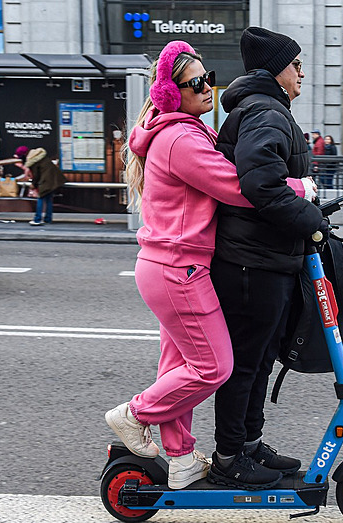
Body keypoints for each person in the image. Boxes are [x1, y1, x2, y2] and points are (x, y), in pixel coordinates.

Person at [104, 40, 260, 491]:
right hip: (179, 270)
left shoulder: (178, 130)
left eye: (208, 77)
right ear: (174, 94)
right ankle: (132, 414)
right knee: (214, 367)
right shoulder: (180, 137)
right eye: (196, 83)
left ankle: (181, 457)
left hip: (166, 267)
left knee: (178, 369)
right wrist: (298, 188)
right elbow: (234, 186)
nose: (207, 87)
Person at [210, 26, 327, 490]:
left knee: (258, 361)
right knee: (246, 363)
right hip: (250, 263)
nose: (302, 73)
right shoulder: (264, 112)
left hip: (263, 259)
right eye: (296, 64)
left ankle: (248, 444)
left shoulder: (267, 110)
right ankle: (228, 457)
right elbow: (262, 187)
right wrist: (311, 221)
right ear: (276, 70)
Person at [25, 148, 67, 225]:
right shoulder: (45, 159)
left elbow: (36, 176)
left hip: (46, 182)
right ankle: (48, 218)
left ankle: (37, 219)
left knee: (40, 198)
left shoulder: (35, 163)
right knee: (48, 200)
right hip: (54, 181)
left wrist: (33, 184)